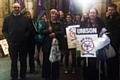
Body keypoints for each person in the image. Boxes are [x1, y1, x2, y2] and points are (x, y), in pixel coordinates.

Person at [2, 3, 30, 80]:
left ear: (20, 8)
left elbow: (28, 29)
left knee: (23, 60)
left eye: (18, 7)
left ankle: (23, 75)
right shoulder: (7, 19)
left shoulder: (25, 18)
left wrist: (25, 36)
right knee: (13, 61)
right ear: (12, 8)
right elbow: (4, 30)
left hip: (23, 43)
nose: (16, 9)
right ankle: (14, 76)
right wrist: (8, 37)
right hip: (12, 43)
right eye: (15, 7)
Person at [81, 8, 106, 80]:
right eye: (91, 13)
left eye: (94, 13)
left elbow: (104, 31)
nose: (92, 14)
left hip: (97, 46)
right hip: (87, 46)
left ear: (96, 14)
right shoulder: (84, 22)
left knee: (97, 62)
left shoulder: (100, 22)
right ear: (88, 14)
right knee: (88, 62)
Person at [41, 9, 63, 80]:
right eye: (52, 14)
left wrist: (55, 34)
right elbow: (41, 32)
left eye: (55, 14)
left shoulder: (59, 23)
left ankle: (55, 76)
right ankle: (46, 75)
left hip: (56, 45)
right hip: (47, 44)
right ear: (50, 15)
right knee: (46, 60)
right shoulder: (46, 23)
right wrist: (48, 31)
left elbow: (62, 32)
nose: (54, 15)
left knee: (55, 61)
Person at [106, 3, 120, 80]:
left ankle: (113, 77)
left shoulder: (117, 19)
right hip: (110, 42)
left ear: (115, 10)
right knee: (110, 61)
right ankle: (110, 75)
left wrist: (108, 19)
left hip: (114, 44)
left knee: (113, 61)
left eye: (112, 10)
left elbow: (111, 29)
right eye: (109, 10)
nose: (110, 11)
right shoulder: (111, 17)